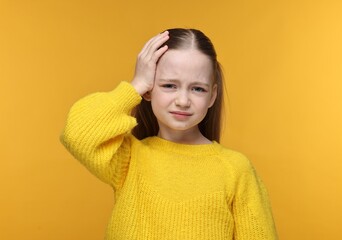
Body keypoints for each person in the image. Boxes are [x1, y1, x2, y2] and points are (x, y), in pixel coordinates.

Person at [60, 28, 278, 240]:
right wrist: (136, 85)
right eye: (169, 85)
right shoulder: (128, 159)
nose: (183, 100)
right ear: (149, 89)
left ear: (212, 96)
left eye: (198, 89)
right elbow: (77, 132)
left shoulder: (236, 170)